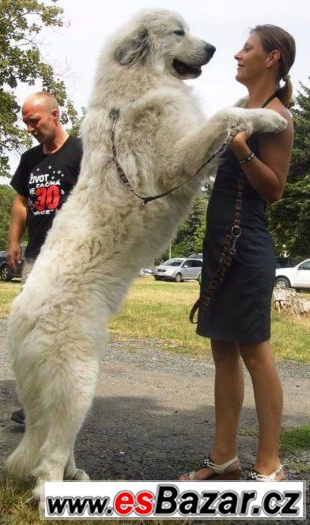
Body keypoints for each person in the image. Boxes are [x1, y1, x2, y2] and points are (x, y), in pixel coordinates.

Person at [182, 25, 296, 481]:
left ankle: (270, 462)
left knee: (255, 352)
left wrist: (244, 151)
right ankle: (223, 455)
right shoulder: (240, 111)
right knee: (222, 352)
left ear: (271, 59)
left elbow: (275, 190)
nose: (236, 54)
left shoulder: (277, 116)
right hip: (217, 243)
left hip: (247, 244)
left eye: (247, 49)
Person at [7, 91, 82, 424]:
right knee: (31, 332)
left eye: (33, 120)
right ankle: (35, 404)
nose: (29, 128)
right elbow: (21, 202)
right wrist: (13, 241)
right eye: (25, 122)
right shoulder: (29, 159)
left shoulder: (82, 152)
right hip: (35, 260)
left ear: (55, 115)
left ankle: (62, 405)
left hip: (71, 260)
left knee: (62, 337)